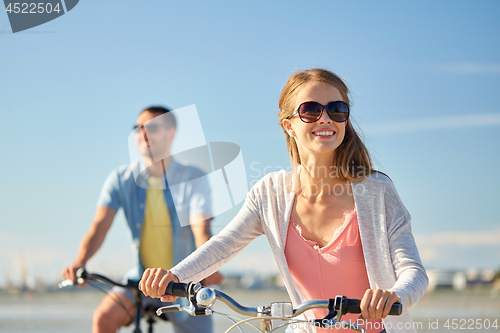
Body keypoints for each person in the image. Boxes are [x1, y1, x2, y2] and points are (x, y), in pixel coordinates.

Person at [139, 69, 429, 333]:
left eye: (337, 110)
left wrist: (393, 295)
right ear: (288, 125)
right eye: (311, 110)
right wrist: (174, 274)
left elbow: (413, 271)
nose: (325, 118)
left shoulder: (376, 191)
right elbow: (224, 246)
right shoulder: (270, 193)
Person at [61, 106, 222, 333]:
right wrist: (80, 261)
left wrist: (209, 266)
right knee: (103, 319)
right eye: (139, 128)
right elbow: (100, 226)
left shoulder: (193, 178)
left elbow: (201, 229)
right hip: (139, 281)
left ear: (171, 133)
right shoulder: (120, 179)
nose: (144, 134)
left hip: (186, 282)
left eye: (153, 128)